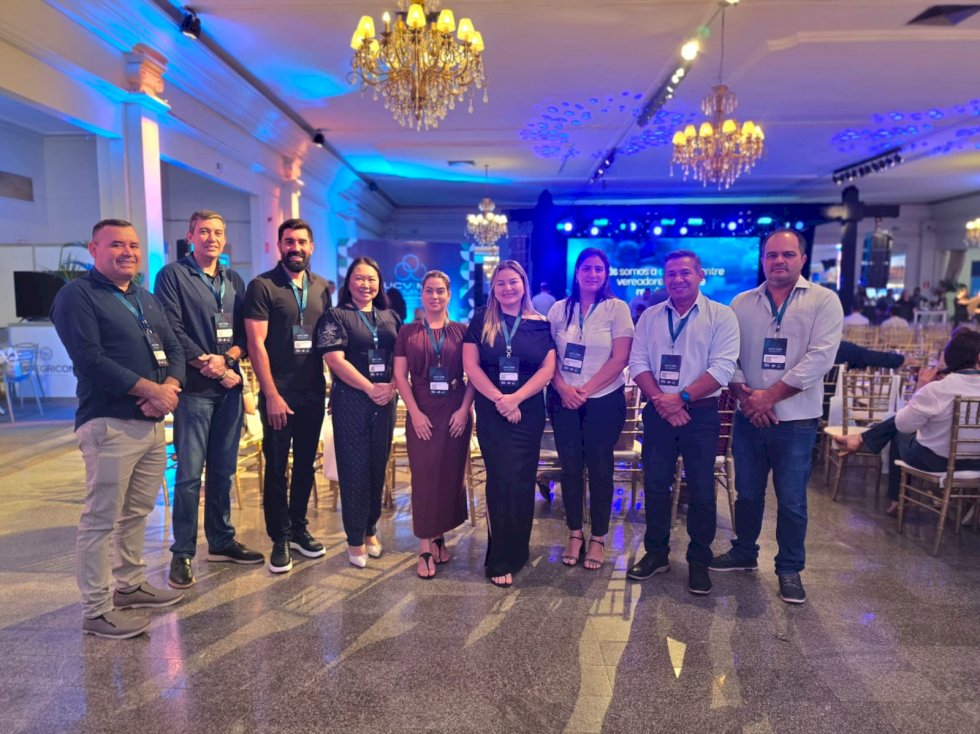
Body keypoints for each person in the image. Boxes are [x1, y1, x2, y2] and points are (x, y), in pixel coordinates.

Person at [51, 218, 186, 639]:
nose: (127, 252)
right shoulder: (77, 296)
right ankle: (96, 609)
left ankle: (129, 586)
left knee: (137, 512)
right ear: (94, 249)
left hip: (150, 425)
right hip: (109, 423)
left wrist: (170, 388)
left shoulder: (144, 297)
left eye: (133, 245)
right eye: (116, 245)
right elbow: (89, 359)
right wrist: (152, 390)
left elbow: (174, 346)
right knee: (100, 521)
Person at [711, 230, 843, 605]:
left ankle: (789, 568)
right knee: (747, 493)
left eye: (787, 254)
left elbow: (819, 359)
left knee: (792, 500)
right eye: (771, 255)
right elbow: (730, 356)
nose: (778, 261)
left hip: (796, 421)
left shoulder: (824, 301)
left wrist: (768, 397)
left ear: (803, 259)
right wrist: (748, 398)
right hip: (748, 417)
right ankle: (744, 552)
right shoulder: (742, 302)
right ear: (762, 260)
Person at [154, 210, 264, 589]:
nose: (211, 238)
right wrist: (209, 364)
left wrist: (228, 360)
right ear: (190, 236)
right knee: (189, 476)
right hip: (194, 391)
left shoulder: (234, 280)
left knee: (223, 471)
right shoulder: (172, 276)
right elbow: (171, 330)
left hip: (228, 389)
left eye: (217, 232)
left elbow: (244, 335)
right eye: (204, 232)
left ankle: (220, 541)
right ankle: (182, 552)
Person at [625, 251, 739, 594]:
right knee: (655, 484)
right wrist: (663, 401)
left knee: (702, 490)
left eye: (685, 272)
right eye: (671, 273)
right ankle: (656, 553)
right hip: (658, 412)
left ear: (701, 275)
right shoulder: (650, 317)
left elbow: (722, 368)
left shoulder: (721, 315)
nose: (677, 279)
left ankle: (699, 560)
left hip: (700, 413)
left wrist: (681, 398)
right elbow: (637, 363)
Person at [243, 218, 332, 574]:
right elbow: (255, 345)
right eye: (289, 241)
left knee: (307, 465)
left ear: (312, 247)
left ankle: (298, 529)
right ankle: (279, 537)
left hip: (313, 392)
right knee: (277, 468)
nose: (296, 248)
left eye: (301, 242)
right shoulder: (262, 286)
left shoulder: (322, 287)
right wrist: (272, 395)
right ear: (279, 245)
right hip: (278, 393)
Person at [463, 260, 556, 587]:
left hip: (528, 411)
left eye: (513, 282)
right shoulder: (481, 319)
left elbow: (547, 370)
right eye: (500, 283)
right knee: (501, 481)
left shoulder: (541, 324)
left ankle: (518, 550)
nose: (507, 288)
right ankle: (499, 557)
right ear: (494, 289)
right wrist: (500, 400)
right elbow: (471, 366)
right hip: (492, 411)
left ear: (524, 284)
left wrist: (515, 399)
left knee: (523, 481)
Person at [546, 247, 633, 571]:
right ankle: (574, 533)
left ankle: (598, 537)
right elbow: (548, 357)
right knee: (569, 468)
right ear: (577, 272)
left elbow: (620, 359)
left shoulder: (617, 308)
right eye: (587, 268)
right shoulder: (559, 309)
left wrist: (585, 390)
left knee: (600, 468)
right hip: (563, 399)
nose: (592, 274)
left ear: (606, 274)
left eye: (598, 269)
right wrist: (563, 388)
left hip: (604, 401)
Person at [834, 329, 980, 515]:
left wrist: (921, 388)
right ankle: (861, 440)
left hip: (936, 462)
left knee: (899, 430)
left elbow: (904, 425)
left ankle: (896, 499)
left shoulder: (938, 389)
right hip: (977, 464)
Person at [318, 257, 401, 568]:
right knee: (354, 470)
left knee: (378, 467)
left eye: (372, 279)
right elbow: (335, 360)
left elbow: (400, 357)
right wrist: (370, 387)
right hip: (352, 400)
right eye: (360, 278)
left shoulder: (390, 316)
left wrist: (392, 385)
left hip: (385, 400)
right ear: (349, 281)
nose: (366, 284)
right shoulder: (335, 316)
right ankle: (354, 538)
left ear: (379, 283)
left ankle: (370, 530)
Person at [392, 270, 475, 578]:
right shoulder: (407, 332)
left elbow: (474, 375)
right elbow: (400, 376)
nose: (435, 296)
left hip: (454, 410)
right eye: (429, 290)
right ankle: (425, 546)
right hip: (422, 411)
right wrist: (413, 413)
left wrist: (464, 410)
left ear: (449, 295)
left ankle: (440, 535)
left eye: (440, 290)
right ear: (422, 294)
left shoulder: (462, 331)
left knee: (449, 477)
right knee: (425, 478)